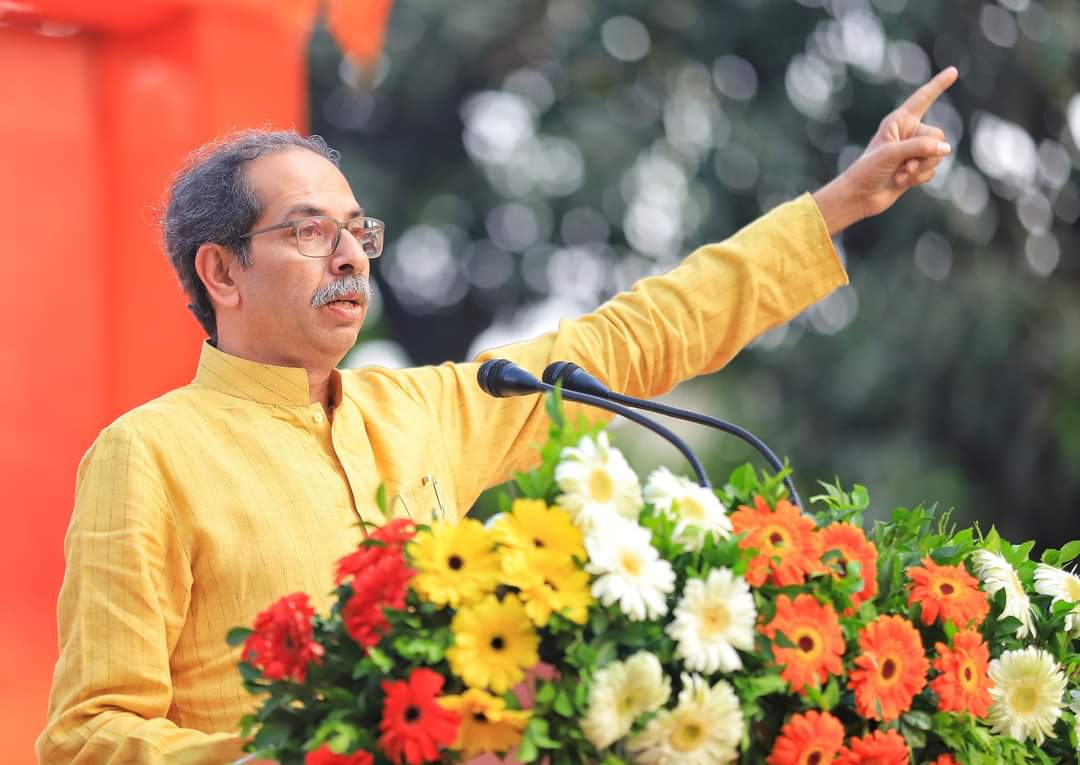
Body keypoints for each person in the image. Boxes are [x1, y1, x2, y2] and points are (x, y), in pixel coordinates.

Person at [38, 68, 957, 763]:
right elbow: (89, 734)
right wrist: (301, 752)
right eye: (311, 230)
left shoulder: (425, 408)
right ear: (221, 270)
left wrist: (840, 204)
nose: (350, 256)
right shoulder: (147, 453)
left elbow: (636, 336)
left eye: (358, 231)